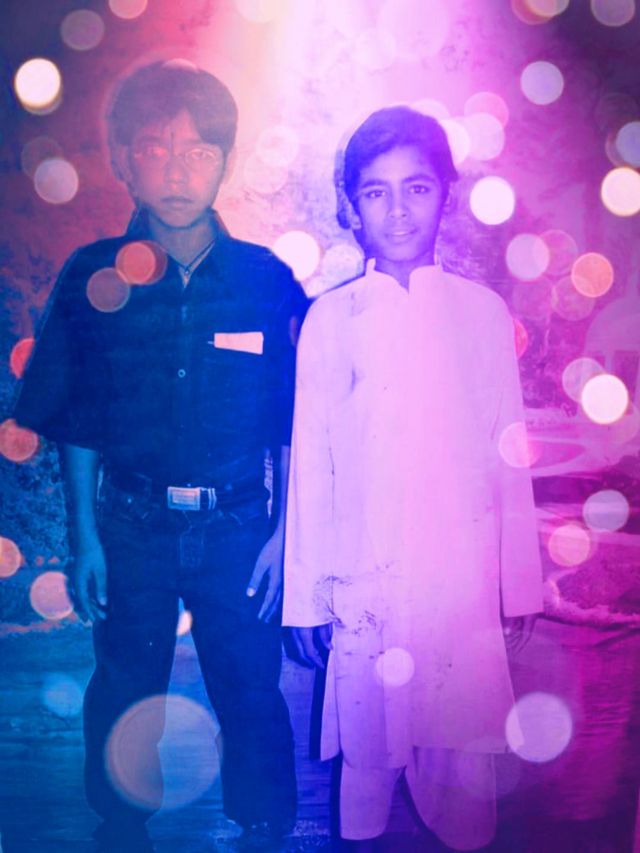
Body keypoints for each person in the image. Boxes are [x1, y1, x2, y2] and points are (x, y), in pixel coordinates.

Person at [14, 60, 305, 853]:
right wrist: (86, 539)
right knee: (123, 683)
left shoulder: (264, 281)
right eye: (156, 148)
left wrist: (286, 536)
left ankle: (266, 821)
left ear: (226, 161)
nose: (178, 170)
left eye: (198, 151)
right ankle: (120, 824)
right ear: (124, 158)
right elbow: (76, 420)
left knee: (250, 685)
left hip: (239, 527)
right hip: (132, 524)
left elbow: (295, 423)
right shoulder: (91, 276)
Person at [283, 106, 543, 851]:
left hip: (461, 580)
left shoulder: (483, 315)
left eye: (417, 188)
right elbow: (313, 469)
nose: (398, 210)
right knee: (369, 753)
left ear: (445, 196)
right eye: (376, 192)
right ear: (351, 207)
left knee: (462, 765)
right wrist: (307, 599)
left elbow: (508, 455)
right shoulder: (331, 321)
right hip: (365, 579)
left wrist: (517, 584)